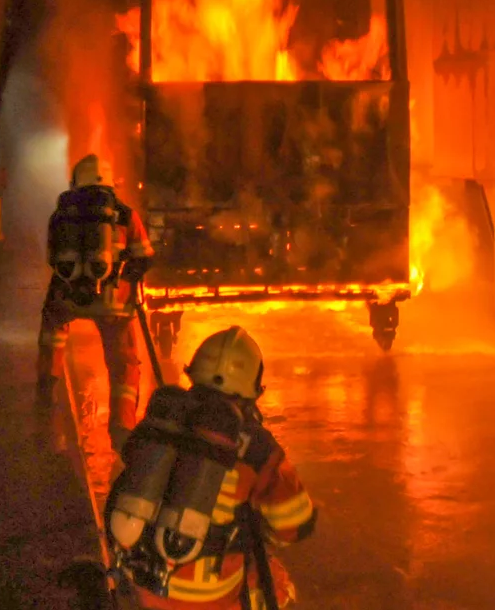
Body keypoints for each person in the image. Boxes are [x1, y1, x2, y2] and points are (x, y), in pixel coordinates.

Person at [105, 326, 318, 610]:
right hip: (210, 599)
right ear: (251, 390)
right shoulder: (256, 445)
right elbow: (295, 524)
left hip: (144, 588)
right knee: (275, 580)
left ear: (194, 373)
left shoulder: (163, 419)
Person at [37, 153, 154, 450]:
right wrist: (124, 274)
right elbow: (145, 257)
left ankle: (47, 387)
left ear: (76, 182)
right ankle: (122, 426)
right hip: (113, 302)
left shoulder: (60, 214)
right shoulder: (125, 214)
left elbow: (52, 257)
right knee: (124, 362)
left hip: (68, 297)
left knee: (53, 326)